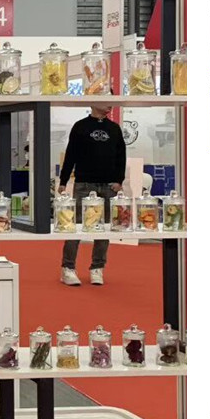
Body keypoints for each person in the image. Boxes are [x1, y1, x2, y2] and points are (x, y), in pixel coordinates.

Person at [57, 105, 126, 287]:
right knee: (75, 226)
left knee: (103, 228)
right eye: (106, 100)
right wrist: (63, 181)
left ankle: (97, 268)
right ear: (93, 102)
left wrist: (119, 180)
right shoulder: (80, 126)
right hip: (84, 184)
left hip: (109, 186)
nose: (110, 104)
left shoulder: (114, 128)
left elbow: (121, 156)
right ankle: (68, 268)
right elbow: (71, 154)